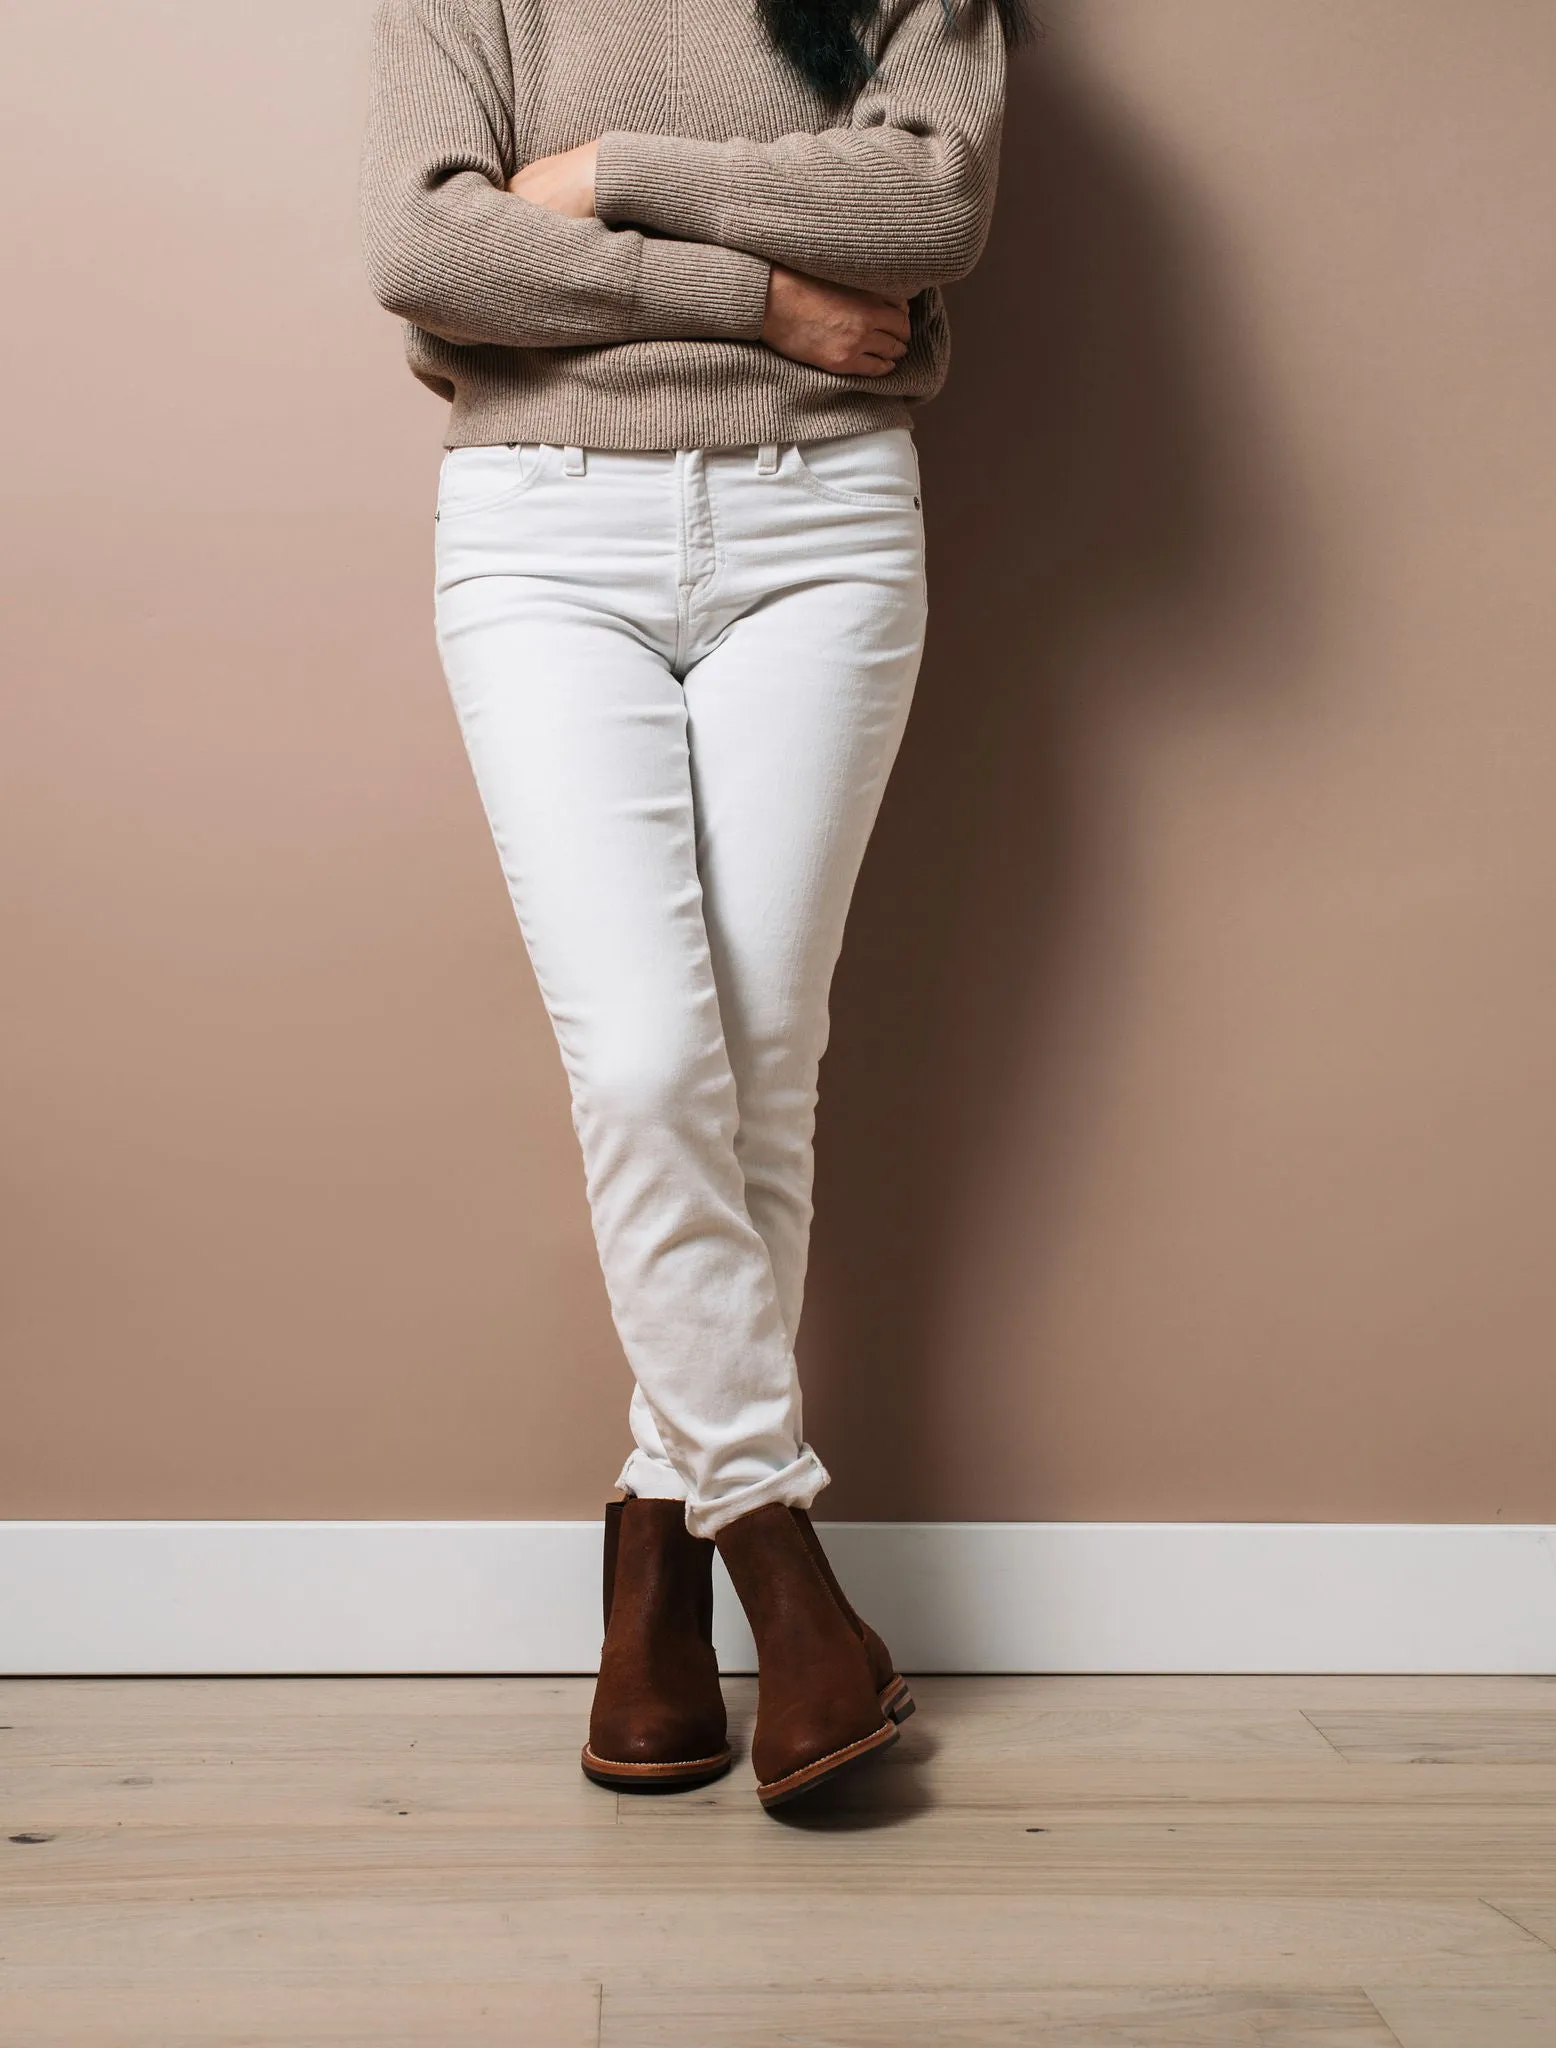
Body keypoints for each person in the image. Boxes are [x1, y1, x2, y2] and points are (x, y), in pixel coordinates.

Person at [357, 0, 1027, 1810]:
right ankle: (775, 1558)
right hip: (543, 532)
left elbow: (922, 215)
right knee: (653, 1060)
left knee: (758, 1060)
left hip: (822, 526)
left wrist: (605, 183)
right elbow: (428, 246)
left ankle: (655, 1556)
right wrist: (757, 294)